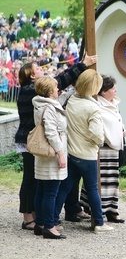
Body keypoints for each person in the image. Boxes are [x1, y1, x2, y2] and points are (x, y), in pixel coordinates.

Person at [14, 54, 96, 231]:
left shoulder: (31, 89)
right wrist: (82, 65)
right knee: (30, 180)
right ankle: (28, 217)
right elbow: (60, 79)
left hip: (37, 141)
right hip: (34, 142)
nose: (42, 70)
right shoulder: (29, 89)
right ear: (31, 76)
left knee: (37, 181)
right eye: (38, 69)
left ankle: (39, 215)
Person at [54, 69, 112, 233]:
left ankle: (53, 218)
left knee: (65, 187)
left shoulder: (72, 99)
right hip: (87, 154)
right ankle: (99, 222)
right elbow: (96, 134)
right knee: (93, 188)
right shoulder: (93, 107)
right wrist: (99, 142)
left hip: (72, 152)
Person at [80, 75, 126, 223]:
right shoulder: (97, 105)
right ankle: (97, 209)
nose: (116, 91)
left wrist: (122, 130)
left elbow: (117, 121)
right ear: (104, 92)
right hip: (103, 147)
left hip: (113, 148)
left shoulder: (113, 103)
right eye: (112, 88)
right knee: (101, 180)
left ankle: (112, 209)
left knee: (112, 180)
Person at [32, 76, 68, 239]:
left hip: (43, 155)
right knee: (51, 192)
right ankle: (49, 225)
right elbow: (51, 133)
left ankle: (39, 223)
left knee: (41, 189)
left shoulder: (41, 105)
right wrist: (60, 154)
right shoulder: (50, 108)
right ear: (49, 91)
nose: (57, 89)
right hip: (52, 153)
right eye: (55, 87)